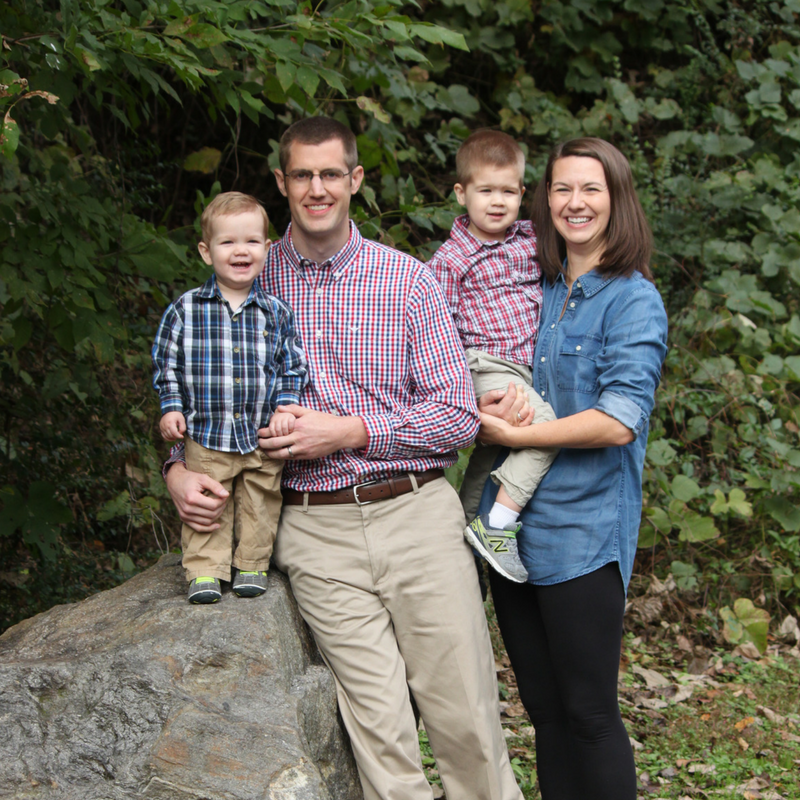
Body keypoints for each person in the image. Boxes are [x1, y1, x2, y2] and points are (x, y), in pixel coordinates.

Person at [164, 117, 523, 800]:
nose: (317, 187)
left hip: (416, 515)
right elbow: (192, 388)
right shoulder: (245, 275)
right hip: (312, 529)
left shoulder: (408, 280)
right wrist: (177, 470)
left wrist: (351, 431)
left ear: (355, 180)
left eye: (332, 173)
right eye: (302, 175)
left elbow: (455, 416)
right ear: (281, 184)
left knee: (467, 723)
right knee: (378, 735)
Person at [475, 137, 668, 800]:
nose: (576, 202)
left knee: (589, 716)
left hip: (584, 534)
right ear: (545, 200)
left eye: (591, 189)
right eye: (562, 189)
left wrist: (511, 429)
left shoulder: (632, 301)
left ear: (617, 201)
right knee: (546, 716)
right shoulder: (539, 286)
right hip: (513, 530)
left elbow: (619, 419)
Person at [152, 192, 308, 604]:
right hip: (206, 430)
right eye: (227, 242)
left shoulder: (276, 312)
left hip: (260, 433)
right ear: (206, 251)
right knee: (209, 500)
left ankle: (251, 564)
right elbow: (166, 363)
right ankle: (205, 569)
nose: (241, 250)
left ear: (267, 248)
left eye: (252, 241)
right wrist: (171, 406)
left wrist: (285, 407)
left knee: (261, 500)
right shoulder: (186, 309)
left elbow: (291, 366)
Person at [427, 129, 557, 583]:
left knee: (489, 462)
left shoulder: (532, 239)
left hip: (523, 369)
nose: (497, 201)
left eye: (508, 191)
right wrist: (459, 393)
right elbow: (435, 330)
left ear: (522, 193)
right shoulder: (450, 259)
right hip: (483, 364)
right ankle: (498, 526)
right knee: (547, 432)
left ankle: (464, 552)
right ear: (462, 194)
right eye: (486, 190)